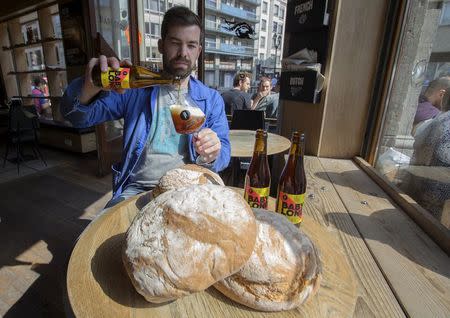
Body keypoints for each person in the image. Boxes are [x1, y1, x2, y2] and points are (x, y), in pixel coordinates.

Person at [61, 6, 230, 208]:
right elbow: (76, 117)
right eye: (175, 43)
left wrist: (213, 152)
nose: (183, 53)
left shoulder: (211, 100)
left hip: (188, 190)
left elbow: (224, 153)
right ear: (160, 45)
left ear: (199, 52)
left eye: (191, 45)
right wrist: (89, 89)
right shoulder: (133, 89)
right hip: (138, 189)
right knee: (104, 235)